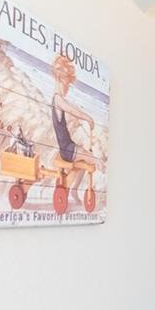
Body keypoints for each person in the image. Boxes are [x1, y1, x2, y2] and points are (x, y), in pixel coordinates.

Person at [50, 54, 97, 203]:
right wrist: (87, 118)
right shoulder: (57, 99)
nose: (68, 87)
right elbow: (72, 110)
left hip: (68, 146)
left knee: (87, 159)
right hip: (66, 149)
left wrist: (85, 116)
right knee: (96, 161)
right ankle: (77, 190)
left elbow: (73, 107)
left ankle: (74, 190)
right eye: (67, 83)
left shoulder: (60, 99)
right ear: (59, 78)